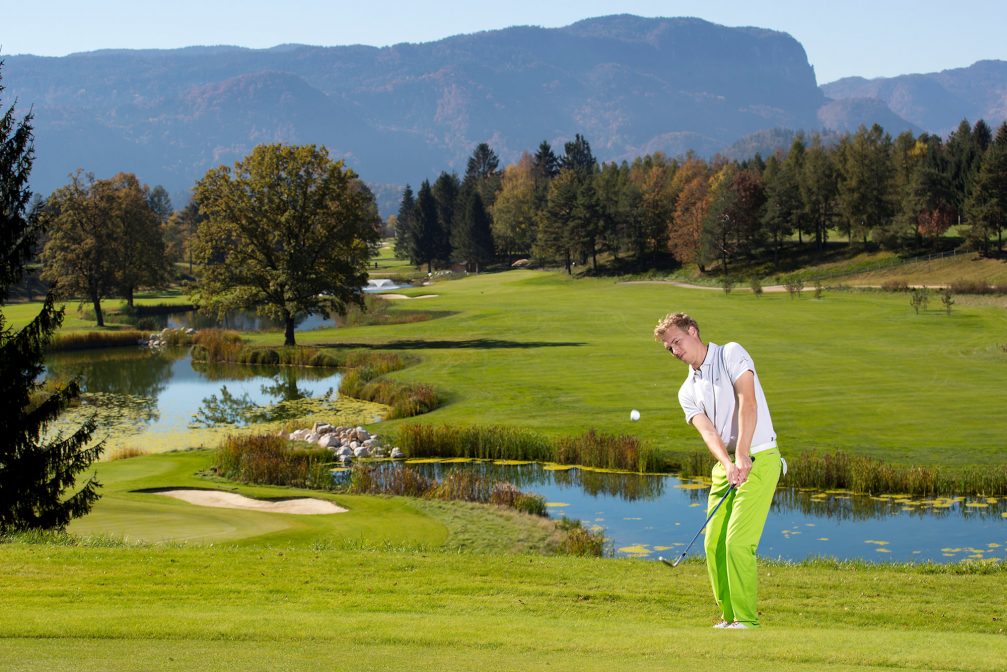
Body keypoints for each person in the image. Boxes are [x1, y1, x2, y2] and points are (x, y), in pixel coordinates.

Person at [654, 312, 783, 629]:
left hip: (760, 455)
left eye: (677, 341)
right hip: (727, 466)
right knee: (713, 543)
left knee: (738, 542)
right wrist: (728, 463)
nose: (675, 351)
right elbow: (708, 433)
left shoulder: (731, 353)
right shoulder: (687, 390)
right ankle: (729, 617)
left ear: (693, 331)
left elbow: (747, 401)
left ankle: (747, 620)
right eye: (669, 348)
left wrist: (742, 455)